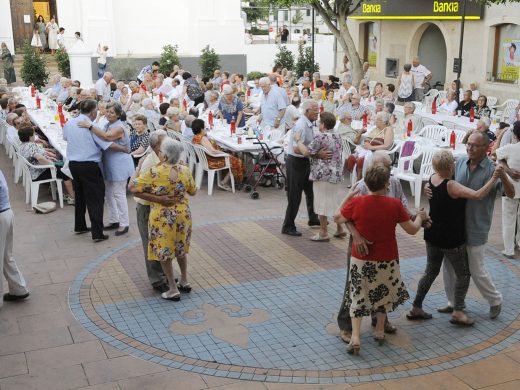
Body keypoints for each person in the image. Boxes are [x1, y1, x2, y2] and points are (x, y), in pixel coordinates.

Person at [334, 164, 428, 354]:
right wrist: (421, 217)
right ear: (387, 184)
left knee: (358, 296)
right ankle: (379, 331)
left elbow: (337, 217)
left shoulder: (357, 203)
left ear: (366, 183)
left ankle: (355, 337)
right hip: (387, 258)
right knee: (383, 293)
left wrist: (348, 196)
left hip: (361, 258)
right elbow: (412, 229)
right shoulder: (394, 204)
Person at [427, 132, 515, 319]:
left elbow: (511, 193)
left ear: (486, 148)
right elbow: (440, 177)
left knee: (476, 269)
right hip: (454, 226)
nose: (469, 148)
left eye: (475, 145)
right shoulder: (458, 162)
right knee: (449, 266)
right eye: (468, 144)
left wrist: (505, 177)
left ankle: (495, 300)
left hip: (477, 226)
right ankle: (453, 302)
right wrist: (429, 187)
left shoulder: (493, 169)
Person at [408, 149, 500, 326]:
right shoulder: (451, 185)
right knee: (463, 274)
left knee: (430, 271)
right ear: (451, 166)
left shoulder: (432, 180)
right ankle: (458, 311)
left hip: (432, 233)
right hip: (450, 237)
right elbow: (478, 195)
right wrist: (494, 178)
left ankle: (416, 307)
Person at [336, 152, 408, 344]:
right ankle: (346, 326)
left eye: (389, 167)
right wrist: (356, 236)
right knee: (354, 285)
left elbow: (403, 207)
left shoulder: (395, 183)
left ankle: (379, 323)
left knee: (382, 283)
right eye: (383, 167)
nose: (388, 172)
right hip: (361, 243)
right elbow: (345, 217)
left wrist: (415, 217)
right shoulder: (361, 187)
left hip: (383, 243)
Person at [129, 138, 197, 301]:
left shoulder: (154, 172)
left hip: (162, 217)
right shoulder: (185, 170)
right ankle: (184, 280)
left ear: (164, 156)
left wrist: (137, 171)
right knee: (180, 248)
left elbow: (132, 188)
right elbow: (193, 191)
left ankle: (173, 289)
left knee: (164, 252)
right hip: (182, 214)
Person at [63, 100, 127, 242]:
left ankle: (80, 225)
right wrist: (123, 149)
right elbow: (107, 143)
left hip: (74, 163)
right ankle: (97, 233)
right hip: (88, 164)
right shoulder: (92, 127)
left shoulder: (69, 123)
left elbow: (65, 137)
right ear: (93, 112)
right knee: (95, 198)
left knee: (80, 195)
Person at [78, 102, 134, 236]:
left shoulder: (119, 127)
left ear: (119, 114)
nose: (108, 114)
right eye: (107, 111)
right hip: (109, 163)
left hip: (119, 164)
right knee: (108, 193)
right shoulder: (107, 124)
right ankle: (114, 219)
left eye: (112, 112)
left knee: (119, 193)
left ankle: (124, 223)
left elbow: (106, 137)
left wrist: (90, 126)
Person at [282, 99, 332, 236]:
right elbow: (298, 149)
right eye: (315, 111)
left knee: (311, 191)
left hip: (305, 162)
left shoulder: (308, 124)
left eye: (318, 110)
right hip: (296, 162)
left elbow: (308, 146)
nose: (317, 113)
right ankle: (288, 225)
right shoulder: (301, 125)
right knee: (295, 196)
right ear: (307, 111)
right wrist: (317, 154)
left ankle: (313, 218)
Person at [293, 112, 345, 241]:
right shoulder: (338, 136)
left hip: (323, 174)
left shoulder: (320, 137)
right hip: (336, 174)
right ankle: (339, 228)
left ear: (323, 124)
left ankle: (323, 232)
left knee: (321, 202)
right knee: (333, 201)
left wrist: (298, 140)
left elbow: (305, 152)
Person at [132, 130, 169, 292]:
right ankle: (157, 280)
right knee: (150, 244)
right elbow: (135, 189)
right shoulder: (149, 162)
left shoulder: (163, 158)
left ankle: (164, 274)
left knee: (161, 242)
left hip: (158, 207)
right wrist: (159, 199)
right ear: (155, 147)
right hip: (147, 207)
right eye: (164, 144)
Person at [17, 127, 75, 204]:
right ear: (30, 136)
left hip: (34, 171)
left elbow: (39, 154)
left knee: (61, 165)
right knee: (65, 172)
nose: (35, 135)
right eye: (34, 134)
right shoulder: (30, 146)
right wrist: (52, 164)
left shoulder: (23, 145)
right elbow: (40, 158)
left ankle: (57, 189)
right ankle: (72, 197)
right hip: (39, 173)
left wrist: (49, 156)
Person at [0, 169, 30, 308]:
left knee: (5, 256)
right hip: (6, 212)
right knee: (6, 256)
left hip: (2, 214)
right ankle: (19, 289)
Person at [192, 121, 244, 189]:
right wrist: (225, 154)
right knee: (237, 160)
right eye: (204, 128)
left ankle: (231, 179)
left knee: (233, 155)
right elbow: (213, 151)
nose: (205, 129)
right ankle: (225, 182)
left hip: (206, 159)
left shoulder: (195, 137)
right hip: (212, 161)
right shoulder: (203, 138)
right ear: (201, 129)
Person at [346, 111, 395, 182]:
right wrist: (365, 144)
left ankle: (360, 180)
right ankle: (355, 179)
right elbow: (368, 138)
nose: (375, 121)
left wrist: (371, 147)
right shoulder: (376, 128)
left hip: (377, 152)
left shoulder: (388, 129)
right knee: (351, 158)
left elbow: (387, 145)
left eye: (378, 119)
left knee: (361, 160)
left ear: (384, 122)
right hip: (366, 150)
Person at [496, 122, 520, 258]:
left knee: (509, 219)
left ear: (515, 135)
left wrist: (509, 171)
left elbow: (496, 155)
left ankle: (509, 249)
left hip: (511, 188)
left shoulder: (510, 148)